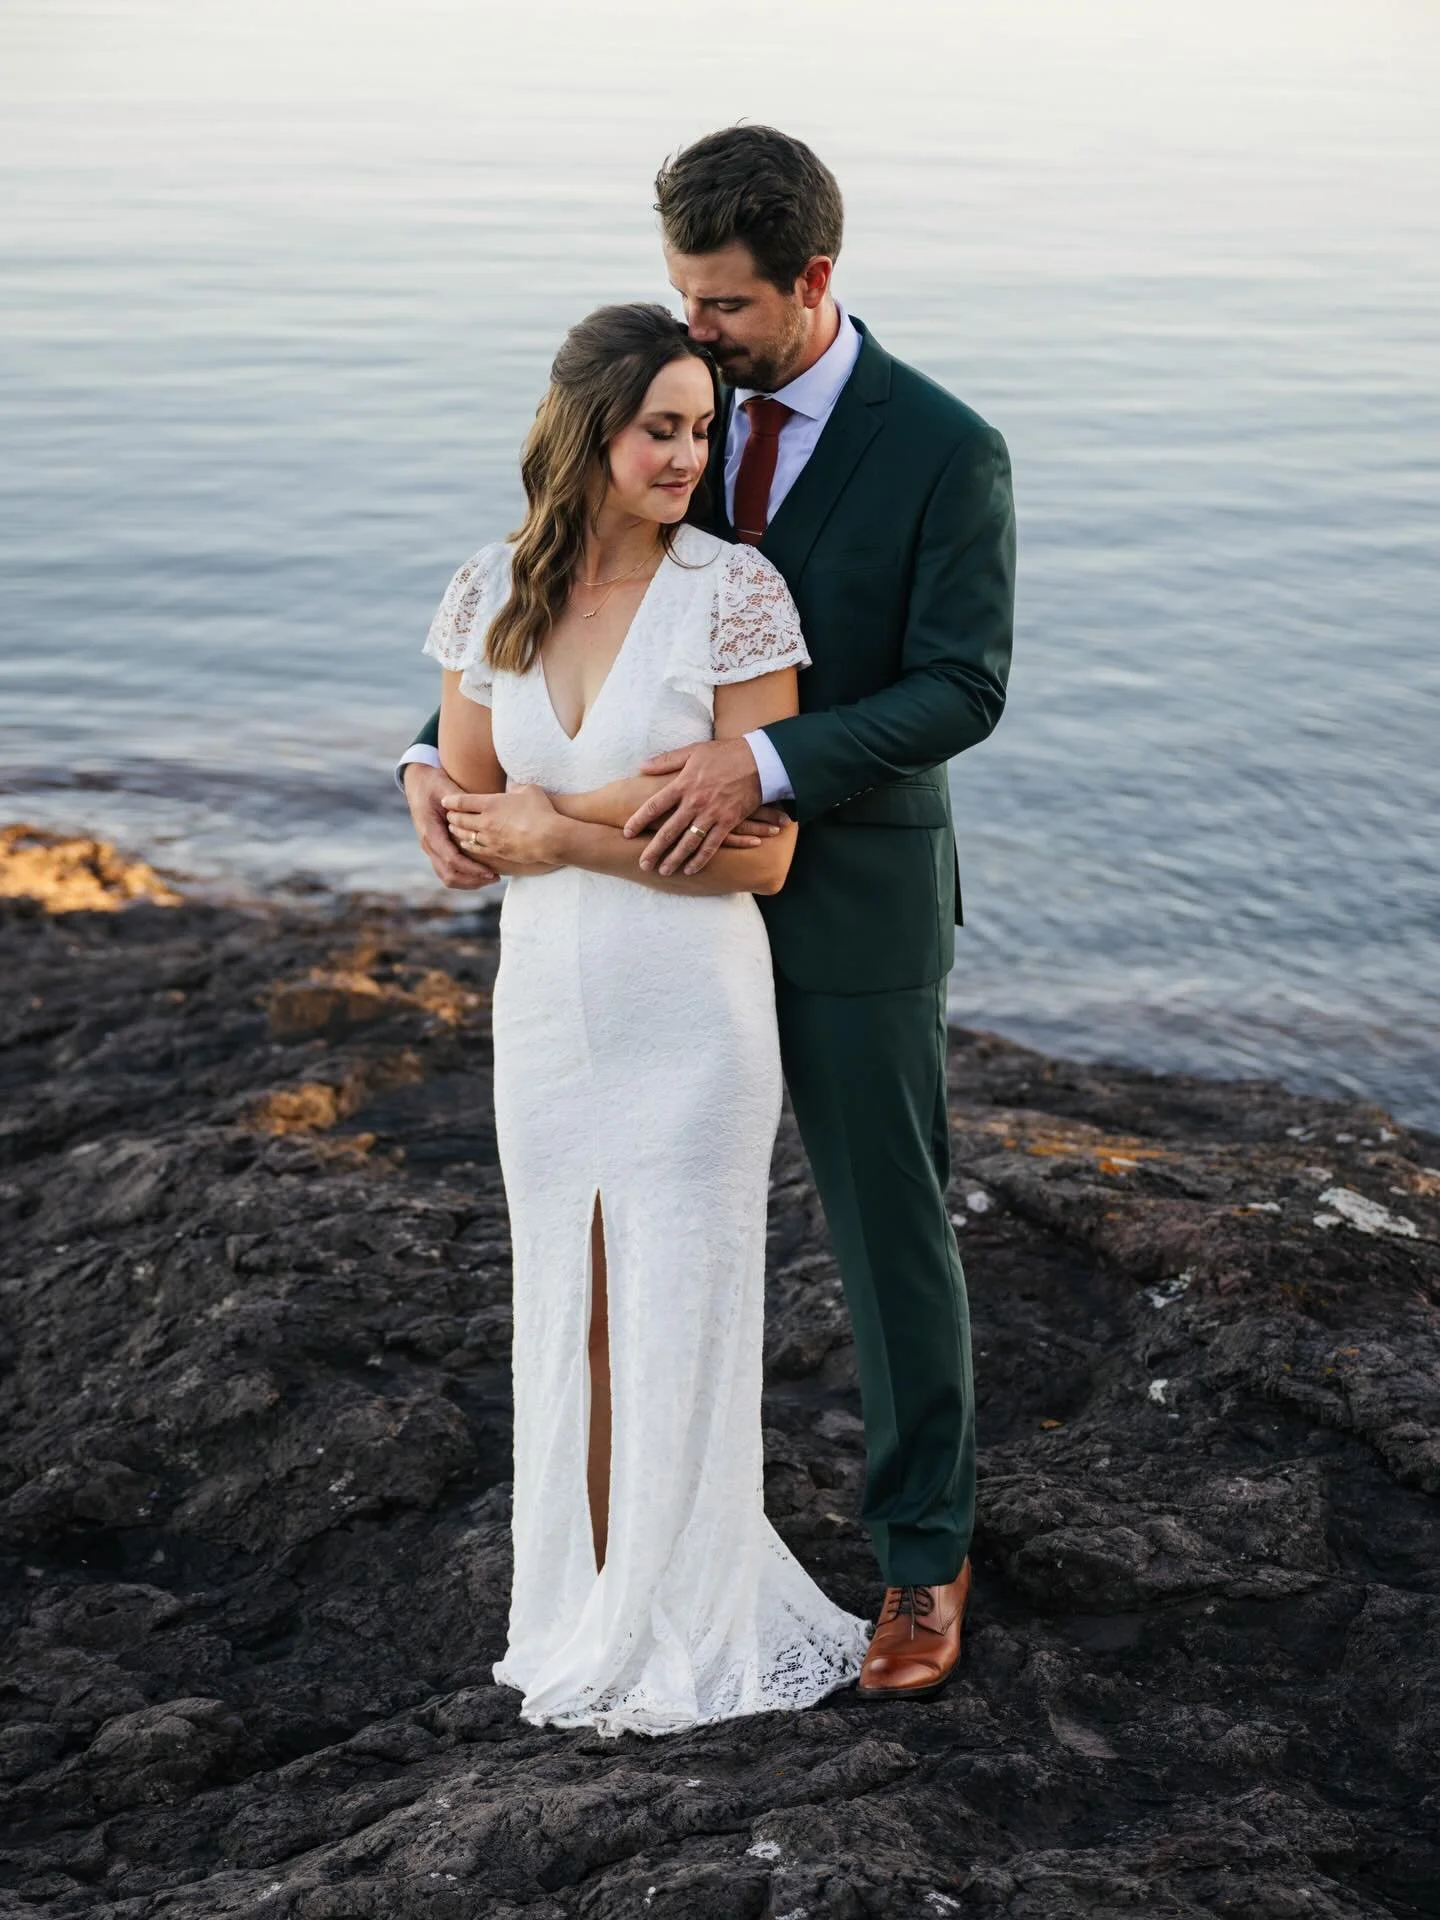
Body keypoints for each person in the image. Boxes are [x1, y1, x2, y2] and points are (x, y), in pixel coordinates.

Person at [403, 127, 1016, 1703]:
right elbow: (559, 598)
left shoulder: (946, 449)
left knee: (889, 1236)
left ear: (812, 282)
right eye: (683, 297)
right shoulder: (676, 403)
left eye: (727, 307)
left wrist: (764, 758)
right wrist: (426, 749)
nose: (701, 334)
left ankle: (922, 1564)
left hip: (853, 894)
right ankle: (624, 1561)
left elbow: (965, 685)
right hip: (627, 944)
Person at [419, 300, 870, 1735]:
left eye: (701, 428)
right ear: (586, 431)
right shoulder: (493, 588)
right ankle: (587, 1596)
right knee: (573, 1299)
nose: (686, 454)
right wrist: (446, 801)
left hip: (692, 1008)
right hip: (547, 1006)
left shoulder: (734, 594)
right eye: (659, 428)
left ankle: (677, 1613)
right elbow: (480, 799)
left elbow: (766, 850)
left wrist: (572, 838)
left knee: (676, 1295)